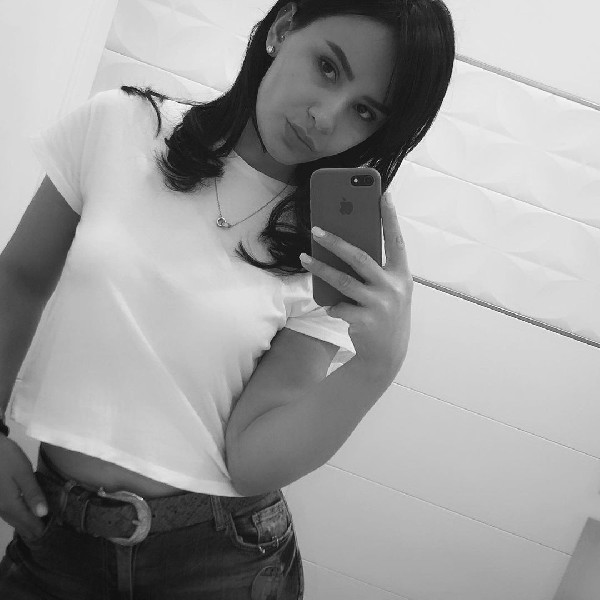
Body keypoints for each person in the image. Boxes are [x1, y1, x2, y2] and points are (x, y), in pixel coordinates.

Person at [0, 0, 455, 597]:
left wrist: (376, 367)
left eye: (364, 111)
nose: (326, 117)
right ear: (283, 28)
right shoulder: (121, 125)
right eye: (327, 67)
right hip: (54, 537)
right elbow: (19, 280)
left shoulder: (325, 252)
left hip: (218, 562)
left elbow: (250, 459)